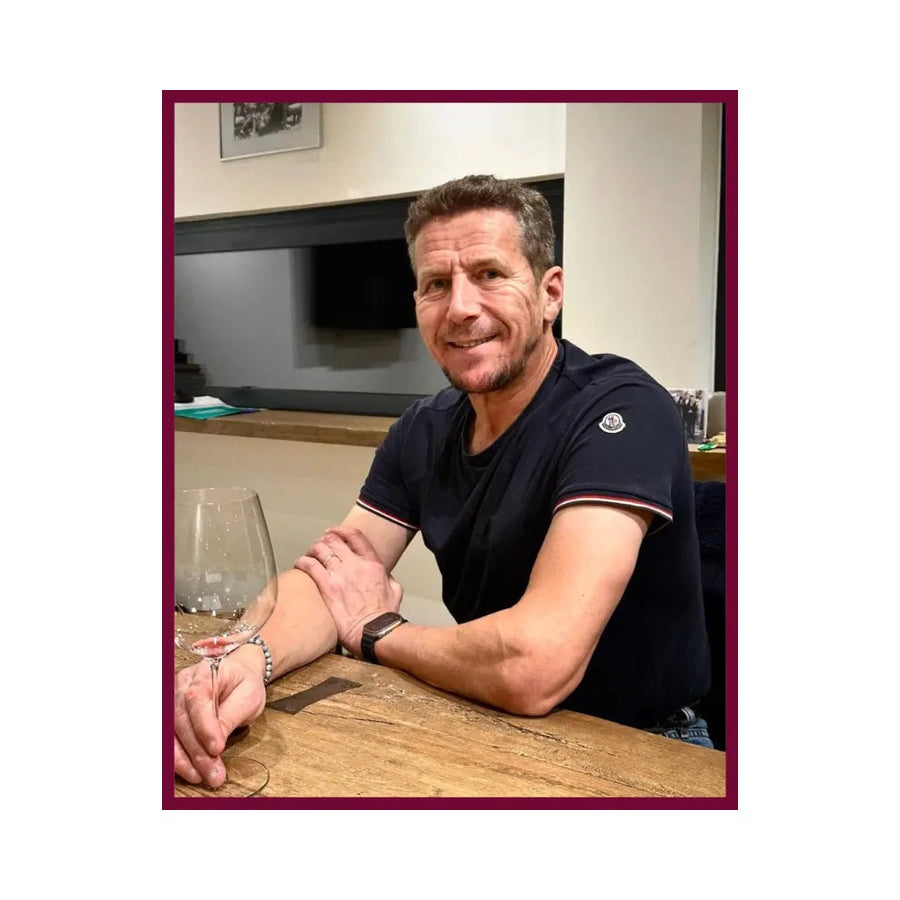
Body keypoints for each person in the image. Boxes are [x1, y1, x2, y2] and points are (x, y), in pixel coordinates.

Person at [174, 174, 713, 789]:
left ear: (550, 293)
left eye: (489, 274)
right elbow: (332, 583)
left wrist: (380, 632)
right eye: (436, 284)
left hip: (644, 744)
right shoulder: (423, 428)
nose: (460, 308)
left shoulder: (621, 409)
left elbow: (535, 665)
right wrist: (246, 661)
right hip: (487, 718)